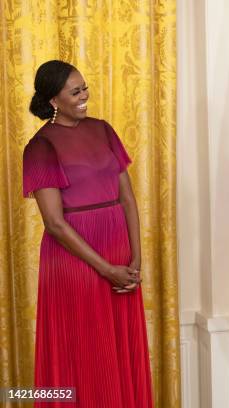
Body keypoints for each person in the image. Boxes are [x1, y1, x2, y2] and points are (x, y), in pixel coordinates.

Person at [24, 60, 152, 407]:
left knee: (119, 349)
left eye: (85, 88)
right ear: (54, 100)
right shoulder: (41, 147)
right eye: (75, 91)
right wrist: (105, 268)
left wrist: (134, 258)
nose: (85, 96)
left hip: (119, 256)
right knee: (86, 351)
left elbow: (126, 196)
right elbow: (54, 223)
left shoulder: (103, 129)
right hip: (75, 263)